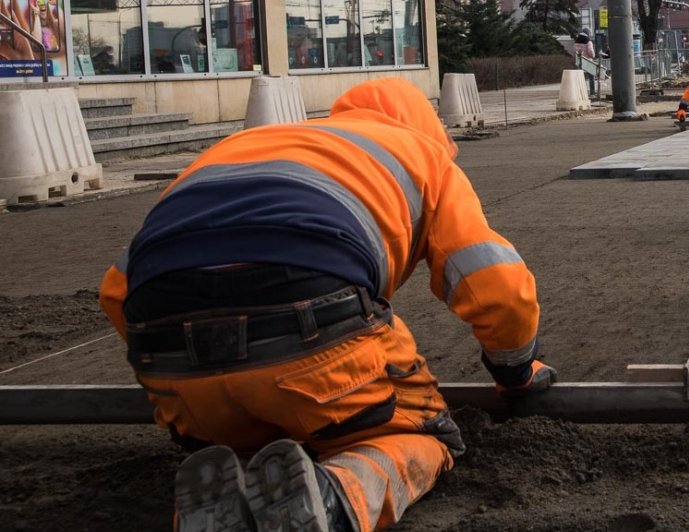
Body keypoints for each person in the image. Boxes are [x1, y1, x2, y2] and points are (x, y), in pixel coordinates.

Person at [98, 78, 553, 532]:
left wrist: (190, 368)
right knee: (423, 435)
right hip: (308, 323)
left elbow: (115, 292)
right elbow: (496, 285)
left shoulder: (243, 145)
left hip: (164, 348)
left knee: (256, 437)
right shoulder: (423, 155)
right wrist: (515, 371)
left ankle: (229, 482)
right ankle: (334, 498)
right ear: (429, 129)